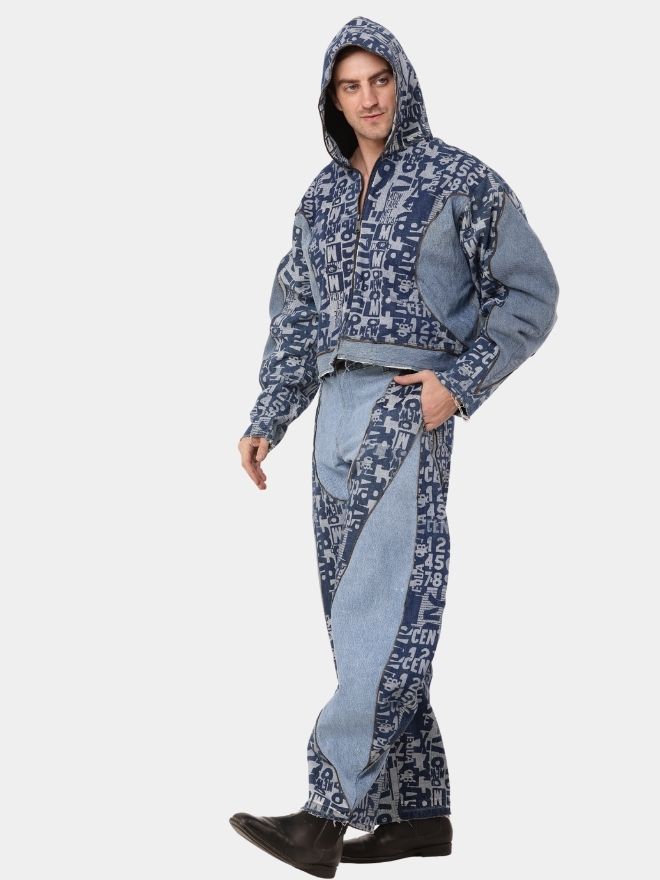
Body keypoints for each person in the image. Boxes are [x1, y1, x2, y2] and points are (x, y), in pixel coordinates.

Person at [231, 15, 559, 878]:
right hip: (333, 408)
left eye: (380, 80)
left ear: (402, 82)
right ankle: (416, 813)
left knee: (386, 613)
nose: (369, 99)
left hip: (405, 406)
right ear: (332, 99)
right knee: (361, 618)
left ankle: (324, 814)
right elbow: (297, 314)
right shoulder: (321, 197)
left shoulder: (461, 180)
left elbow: (530, 294)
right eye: (351, 86)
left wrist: (461, 383)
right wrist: (269, 415)